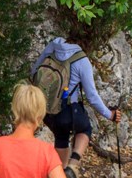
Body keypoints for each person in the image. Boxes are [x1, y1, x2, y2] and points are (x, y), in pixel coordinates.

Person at [38, 37, 121, 165]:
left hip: (45, 110)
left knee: (61, 136)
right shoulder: (82, 60)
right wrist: (110, 115)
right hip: (66, 111)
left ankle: (60, 175)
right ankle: (72, 166)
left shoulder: (52, 48)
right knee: (85, 129)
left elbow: (34, 72)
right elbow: (92, 97)